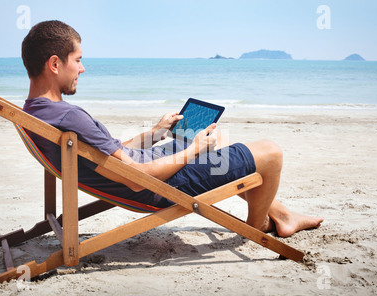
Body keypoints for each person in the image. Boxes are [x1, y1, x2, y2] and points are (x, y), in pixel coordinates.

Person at [21, 20, 323, 238]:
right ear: (55, 64)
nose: (83, 69)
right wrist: (194, 151)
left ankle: (282, 215)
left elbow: (109, 156)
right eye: (78, 60)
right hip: (159, 186)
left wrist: (156, 131)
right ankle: (258, 226)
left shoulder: (39, 112)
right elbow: (137, 180)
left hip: (148, 170)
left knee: (207, 144)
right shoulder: (70, 117)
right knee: (270, 152)